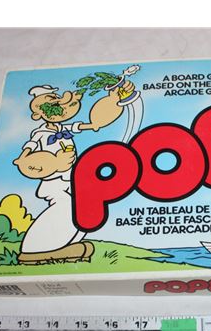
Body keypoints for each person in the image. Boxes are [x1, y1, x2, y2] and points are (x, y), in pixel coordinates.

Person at [13, 80, 135, 264]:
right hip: (54, 183)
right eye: (51, 102)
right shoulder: (40, 134)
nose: (58, 105)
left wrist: (113, 100)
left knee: (85, 212)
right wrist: (54, 163)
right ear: (37, 114)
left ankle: (64, 246)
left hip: (72, 181)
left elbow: (94, 124)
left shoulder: (65, 129)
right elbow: (23, 160)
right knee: (65, 208)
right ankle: (32, 249)